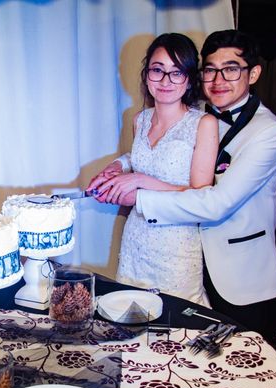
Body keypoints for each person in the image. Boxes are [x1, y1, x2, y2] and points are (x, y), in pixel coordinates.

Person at [95, 30, 276, 344]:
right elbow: (159, 153)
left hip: (235, 271)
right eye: (210, 69)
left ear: (253, 73)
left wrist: (140, 191)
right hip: (172, 250)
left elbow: (214, 202)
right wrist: (121, 164)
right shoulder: (189, 113)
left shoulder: (269, 133)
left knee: (227, 360)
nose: (218, 79)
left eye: (231, 69)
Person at [87, 32, 218, 306]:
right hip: (136, 239)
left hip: (177, 245)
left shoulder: (203, 124)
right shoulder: (140, 119)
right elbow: (143, 157)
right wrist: (117, 166)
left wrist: (139, 180)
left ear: (189, 78)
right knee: (129, 318)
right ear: (147, 75)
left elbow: (200, 194)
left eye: (176, 72)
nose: (166, 81)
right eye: (158, 70)